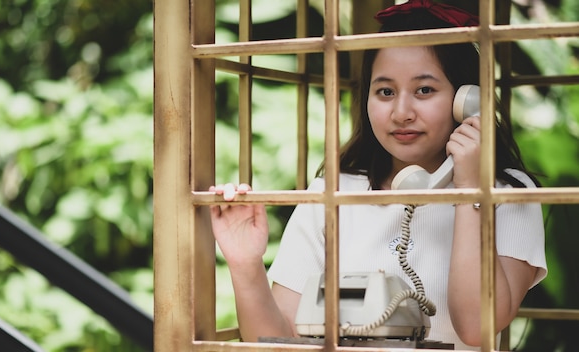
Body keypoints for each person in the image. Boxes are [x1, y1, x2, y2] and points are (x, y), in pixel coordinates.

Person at [209, 0, 547, 350]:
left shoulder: (509, 194)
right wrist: (245, 264)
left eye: (424, 90)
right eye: (385, 91)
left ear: (467, 100)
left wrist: (471, 192)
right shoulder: (335, 190)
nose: (401, 113)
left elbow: (478, 326)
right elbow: (280, 342)